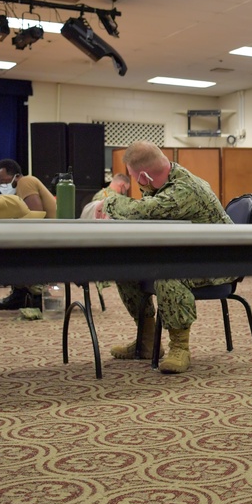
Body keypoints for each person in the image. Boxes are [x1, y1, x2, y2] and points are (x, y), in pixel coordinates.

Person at [96, 142, 235, 374]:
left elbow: (141, 212)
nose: (134, 183)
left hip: (218, 261)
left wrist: (108, 201)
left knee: (168, 276)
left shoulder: (184, 190)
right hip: (190, 255)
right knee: (125, 270)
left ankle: (180, 347)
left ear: (144, 175)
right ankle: (147, 341)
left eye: (132, 176)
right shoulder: (166, 181)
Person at [0, 159, 56, 310]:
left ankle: (34, 295)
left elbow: (35, 216)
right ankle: (21, 293)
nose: (2, 186)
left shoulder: (25, 182)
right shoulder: (17, 192)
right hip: (46, 236)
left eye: (4, 181)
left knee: (8, 251)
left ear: (17, 176)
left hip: (49, 238)